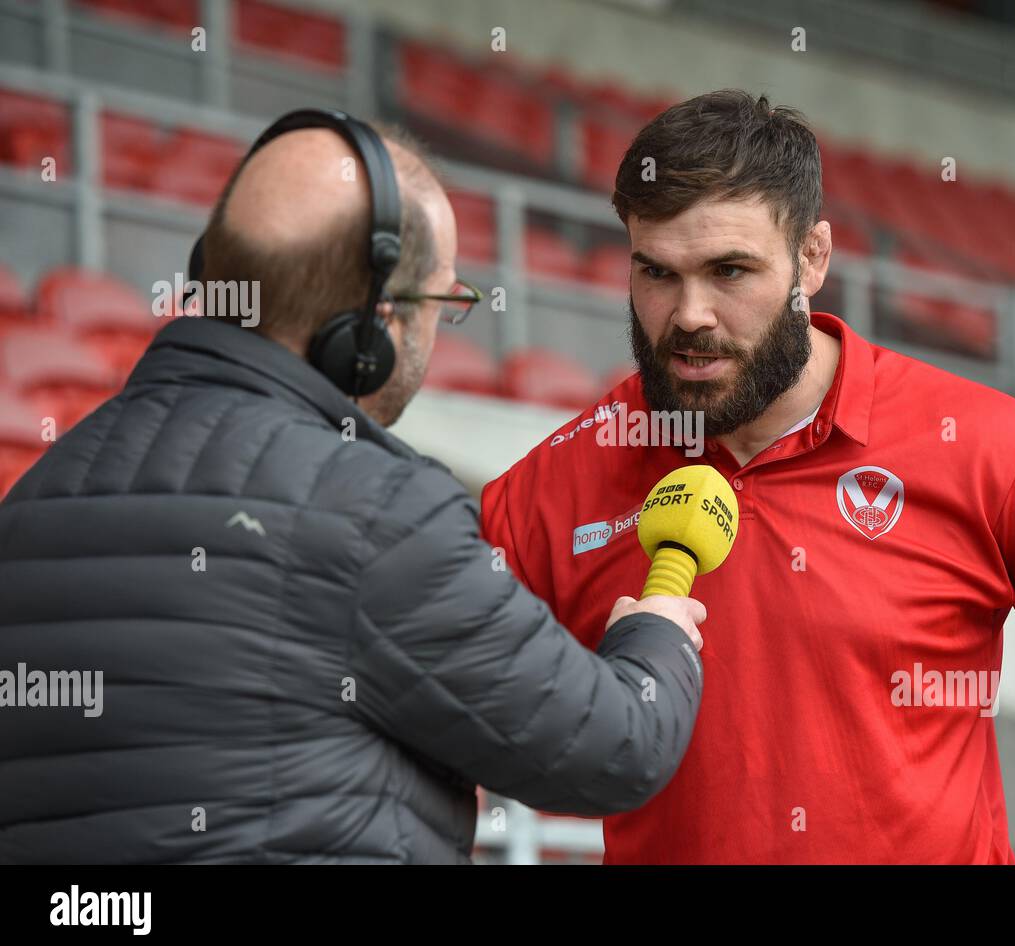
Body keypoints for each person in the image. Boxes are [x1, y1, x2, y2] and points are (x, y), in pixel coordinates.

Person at [481, 89, 1015, 864]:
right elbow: (437, 738)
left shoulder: (994, 451)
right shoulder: (555, 484)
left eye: (730, 271)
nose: (690, 314)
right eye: (657, 273)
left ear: (813, 257)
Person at [0, 110, 706, 864]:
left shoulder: (30, 504)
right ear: (375, 328)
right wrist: (655, 630)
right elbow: (612, 747)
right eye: (442, 304)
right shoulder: (376, 513)